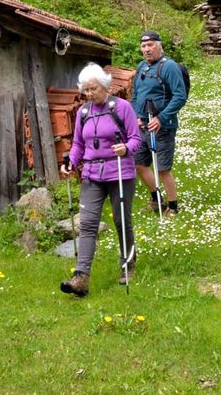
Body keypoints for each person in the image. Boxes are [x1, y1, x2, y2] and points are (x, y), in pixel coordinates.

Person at [59, 63, 142, 297]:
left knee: (121, 220)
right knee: (87, 224)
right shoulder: (84, 112)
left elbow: (137, 139)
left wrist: (125, 148)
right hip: (92, 175)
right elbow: (78, 144)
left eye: (93, 88)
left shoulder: (122, 107)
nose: (89, 94)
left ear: (104, 86)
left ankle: (128, 265)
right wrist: (70, 163)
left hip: (120, 172)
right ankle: (81, 278)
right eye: (85, 90)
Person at [132, 30, 188, 216]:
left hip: (162, 126)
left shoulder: (169, 66)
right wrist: (136, 115)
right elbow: (135, 95)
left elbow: (180, 95)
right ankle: (156, 200)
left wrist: (161, 118)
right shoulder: (141, 67)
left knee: (163, 169)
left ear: (159, 46)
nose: (147, 49)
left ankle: (173, 207)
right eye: (143, 46)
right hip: (142, 125)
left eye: (150, 45)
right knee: (139, 164)